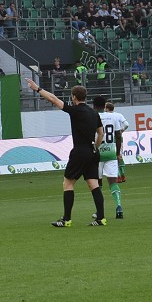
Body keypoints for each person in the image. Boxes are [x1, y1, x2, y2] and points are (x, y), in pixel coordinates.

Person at [24, 77, 106, 227]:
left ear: (74, 97)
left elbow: (54, 99)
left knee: (68, 184)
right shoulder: (94, 113)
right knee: (93, 184)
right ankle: (101, 218)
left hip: (80, 151)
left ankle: (66, 219)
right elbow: (101, 133)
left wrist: (37, 88)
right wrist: (96, 148)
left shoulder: (75, 110)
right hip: (92, 152)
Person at [96, 98, 128, 220]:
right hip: (111, 153)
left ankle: (98, 211)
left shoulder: (94, 117)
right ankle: (119, 206)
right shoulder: (114, 117)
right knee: (113, 182)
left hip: (98, 154)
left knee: (97, 184)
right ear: (104, 106)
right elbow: (118, 135)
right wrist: (118, 152)